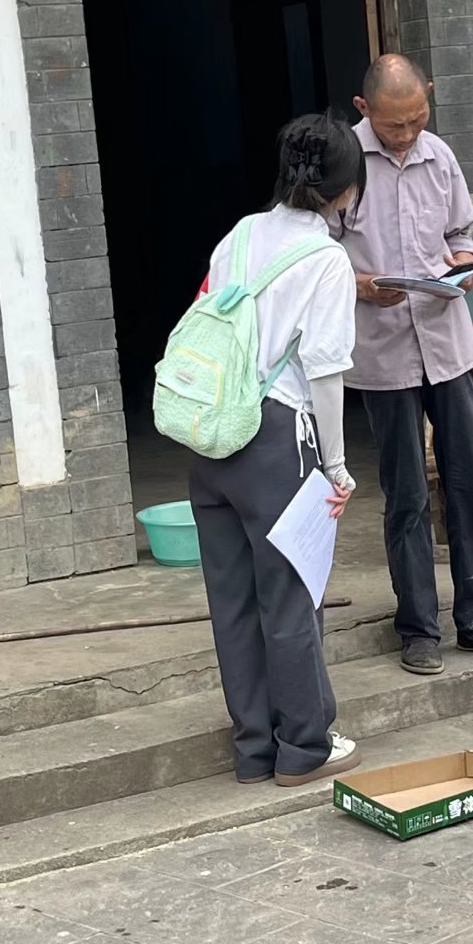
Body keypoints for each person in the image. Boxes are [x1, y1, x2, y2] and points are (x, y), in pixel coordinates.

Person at [334, 54, 473, 676]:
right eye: (393, 125)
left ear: (428, 97)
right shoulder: (343, 163)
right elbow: (316, 255)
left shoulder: (440, 155)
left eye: (417, 119)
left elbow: (460, 235)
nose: (406, 135)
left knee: (471, 479)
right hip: (383, 350)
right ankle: (418, 628)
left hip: (446, 342)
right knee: (405, 492)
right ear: (363, 109)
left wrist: (464, 264)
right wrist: (361, 284)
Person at [189, 114, 364, 786]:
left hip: (210, 433)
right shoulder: (326, 260)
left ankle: (255, 748)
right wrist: (337, 465)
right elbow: (325, 370)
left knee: (233, 603)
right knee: (291, 598)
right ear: (345, 191)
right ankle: (304, 749)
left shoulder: (238, 235)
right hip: (275, 438)